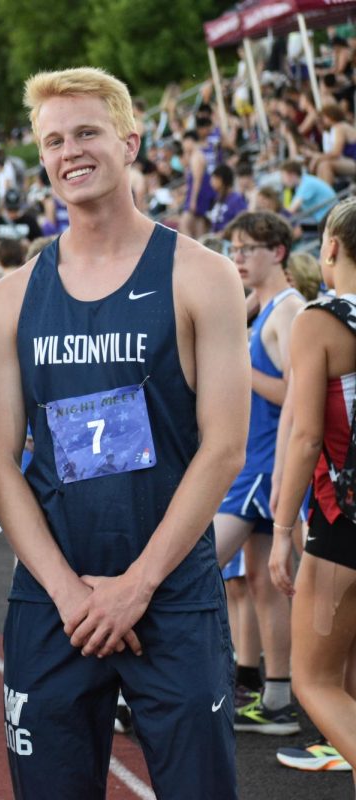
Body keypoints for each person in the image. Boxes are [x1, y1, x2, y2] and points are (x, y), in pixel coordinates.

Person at [0, 68, 248, 799]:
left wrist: (138, 584)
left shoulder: (202, 275)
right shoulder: (10, 298)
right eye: (54, 140)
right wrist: (70, 593)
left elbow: (223, 446)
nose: (71, 151)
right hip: (51, 597)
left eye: (88, 132)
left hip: (169, 590)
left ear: (130, 142)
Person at [269, 196, 356, 786]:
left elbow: (304, 437)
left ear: (329, 247)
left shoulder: (319, 319)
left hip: (342, 521)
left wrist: (280, 529)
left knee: (316, 682)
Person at [213, 211, 304, 735]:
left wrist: (239, 370)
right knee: (266, 587)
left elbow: (299, 394)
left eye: (250, 248)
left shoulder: (287, 311)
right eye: (235, 247)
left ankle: (165, 689)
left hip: (261, 470)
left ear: (278, 252)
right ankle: (275, 702)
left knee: (192, 569)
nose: (240, 256)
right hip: (259, 468)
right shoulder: (264, 306)